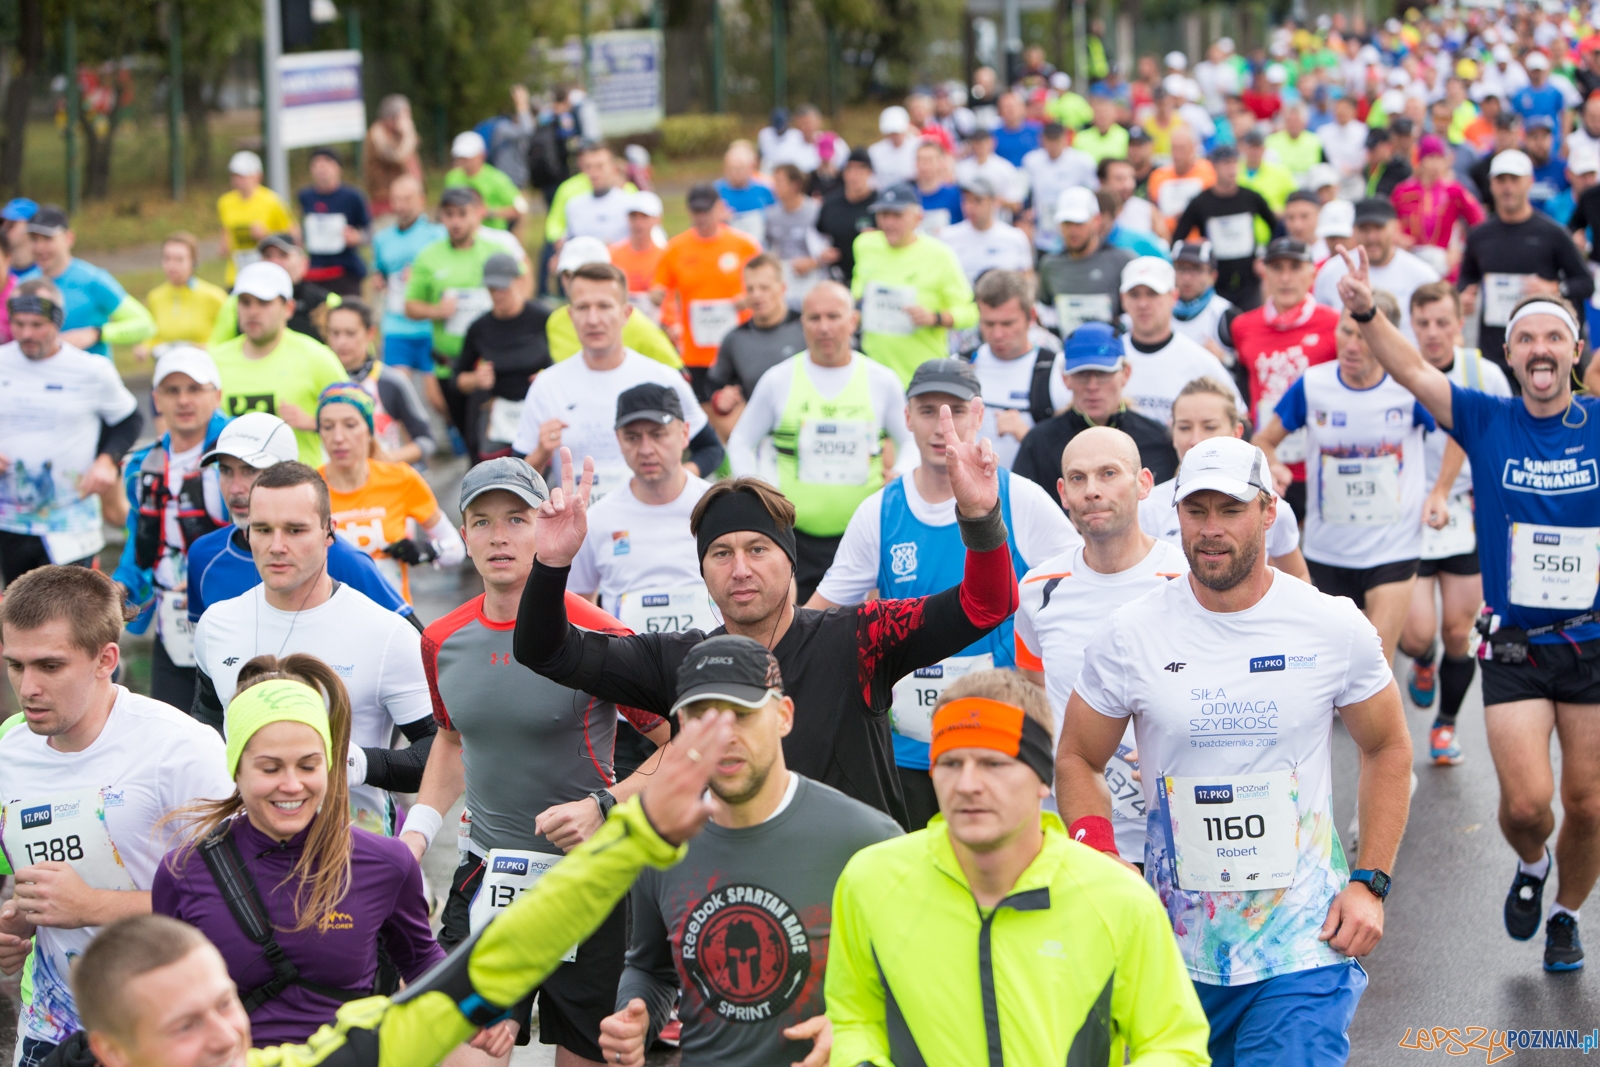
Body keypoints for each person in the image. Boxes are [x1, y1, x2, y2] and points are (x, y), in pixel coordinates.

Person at [55, 707, 742, 1067]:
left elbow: (492, 964)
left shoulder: (329, 1054)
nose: (225, 1034)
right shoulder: (190, 867)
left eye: (221, 1004)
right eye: (183, 1023)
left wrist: (637, 835)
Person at [1058, 433, 1412, 1067]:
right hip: (1173, 948)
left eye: (1230, 510)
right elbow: (1077, 756)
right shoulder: (1132, 633)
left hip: (1302, 947)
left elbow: (1387, 745)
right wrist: (1100, 853)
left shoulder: (1332, 625)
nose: (1210, 530)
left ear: (1268, 512)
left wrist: (1371, 883)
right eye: (1196, 512)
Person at [517, 407, 1022, 829]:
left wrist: (981, 517)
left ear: (790, 560)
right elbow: (545, 650)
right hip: (739, 900)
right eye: (721, 554)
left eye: (758, 549)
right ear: (703, 572)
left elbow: (986, 605)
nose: (740, 570)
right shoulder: (680, 660)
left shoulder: (859, 638)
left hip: (857, 891)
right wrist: (551, 564)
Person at [1343, 252, 1600, 971]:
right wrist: (1367, 311)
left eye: (1555, 338)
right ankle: (1530, 863)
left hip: (1594, 641)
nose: (1541, 350)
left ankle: (1566, 914)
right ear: (1510, 355)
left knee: (1589, 803)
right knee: (1527, 807)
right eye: (1528, 339)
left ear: (1574, 351)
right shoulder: (1486, 418)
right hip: (1516, 644)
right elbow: (1413, 371)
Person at [403, 458, 670, 1065]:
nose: (499, 536)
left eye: (517, 519)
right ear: (463, 536)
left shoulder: (598, 632)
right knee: (445, 1046)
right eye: (482, 522)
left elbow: (678, 746)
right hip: (489, 881)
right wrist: (416, 837)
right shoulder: (441, 639)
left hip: (590, 885)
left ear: (541, 529)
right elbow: (451, 740)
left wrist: (605, 807)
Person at [827, 668, 1211, 1065]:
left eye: (993, 764)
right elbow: (853, 1018)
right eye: (951, 763)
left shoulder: (1118, 899)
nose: (968, 784)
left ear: (1042, 778)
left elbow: (1173, 1043)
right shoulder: (870, 881)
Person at [600, 634, 902, 1067]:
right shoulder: (661, 840)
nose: (724, 737)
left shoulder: (867, 839)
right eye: (703, 719)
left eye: (742, 715)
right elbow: (649, 968)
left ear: (783, 716)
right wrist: (637, 1019)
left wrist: (859, 1023)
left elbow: (923, 979)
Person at [805, 360, 1078, 827]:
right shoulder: (880, 511)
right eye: (928, 410)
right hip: (912, 748)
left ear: (978, 416)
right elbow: (818, 615)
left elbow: (1082, 591)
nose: (941, 425)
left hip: (1000, 735)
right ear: (907, 418)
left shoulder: (1019, 499)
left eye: (954, 409)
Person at [0, 565, 231, 1066]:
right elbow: (18, 878)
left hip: (166, 1028)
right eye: (15, 666)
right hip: (52, 1025)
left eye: (50, 666)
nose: (28, 687)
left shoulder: (180, 749)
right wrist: (15, 926)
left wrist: (93, 906)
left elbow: (241, 899)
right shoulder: (9, 750)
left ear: (106, 659)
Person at [153, 656, 447, 1046]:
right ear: (235, 769)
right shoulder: (185, 871)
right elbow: (165, 999)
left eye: (308, 766)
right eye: (270, 769)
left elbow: (423, 961)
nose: (292, 785)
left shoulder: (386, 863)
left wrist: (482, 1010)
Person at [191, 461, 435, 837]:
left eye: (295, 530)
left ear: (328, 533)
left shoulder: (385, 633)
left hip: (354, 856)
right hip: (250, 855)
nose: (276, 546)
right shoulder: (217, 624)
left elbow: (440, 752)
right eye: (262, 529)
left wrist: (360, 764)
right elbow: (206, 730)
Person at [1016, 426, 1189, 864]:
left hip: (1180, 829)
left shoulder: (1189, 579)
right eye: (1078, 478)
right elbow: (1035, 693)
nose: (1092, 491)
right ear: (1062, 493)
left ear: (1144, 483)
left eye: (1108, 473)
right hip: (1076, 830)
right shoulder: (1037, 588)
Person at [1256, 287, 1433, 665]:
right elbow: (1265, 440)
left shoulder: (1410, 386)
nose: (1352, 345)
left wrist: (1441, 490)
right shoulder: (1314, 383)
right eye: (1345, 331)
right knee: (1331, 661)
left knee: (1372, 660)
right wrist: (1273, 463)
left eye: (1364, 335)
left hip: (1394, 546)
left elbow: (1460, 431)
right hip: (1327, 548)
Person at [727, 282, 917, 602]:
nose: (824, 327)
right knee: (798, 637)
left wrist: (900, 472)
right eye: (814, 318)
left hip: (865, 534)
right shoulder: (778, 379)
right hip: (792, 536)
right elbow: (741, 441)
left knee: (861, 638)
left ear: (853, 321)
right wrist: (757, 489)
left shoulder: (881, 380)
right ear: (802, 324)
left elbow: (911, 440)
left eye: (834, 316)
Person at [1397, 282, 1511, 767]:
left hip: (1468, 509)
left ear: (1458, 323)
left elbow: (1506, 434)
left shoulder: (1483, 374)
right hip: (1410, 515)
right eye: (1422, 323)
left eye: (1443, 322)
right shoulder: (1400, 375)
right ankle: (1423, 662)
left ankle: (1444, 725)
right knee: (1418, 634)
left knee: (1459, 633)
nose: (1433, 332)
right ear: (1411, 326)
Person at [185, 412, 415, 626]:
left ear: (286, 474)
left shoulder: (340, 558)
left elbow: (415, 645)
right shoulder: (203, 556)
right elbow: (203, 656)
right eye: (225, 471)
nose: (235, 488)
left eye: (249, 470)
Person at [518, 263, 720, 500]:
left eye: (604, 306)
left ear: (626, 314)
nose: (593, 319)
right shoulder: (547, 385)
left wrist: (673, 483)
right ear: (571, 316)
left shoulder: (663, 379)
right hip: (577, 533)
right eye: (583, 307)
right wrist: (541, 454)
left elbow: (711, 449)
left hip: (646, 526)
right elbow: (518, 476)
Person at [0, 278, 141, 581]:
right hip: (9, 521)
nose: (26, 334)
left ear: (57, 322)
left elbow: (129, 419)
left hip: (70, 523)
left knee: (70, 618)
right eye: (19, 324)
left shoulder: (91, 369)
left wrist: (107, 460)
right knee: (16, 620)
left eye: (37, 324)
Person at [111, 348, 230, 709]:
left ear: (217, 395)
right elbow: (140, 543)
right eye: (172, 390)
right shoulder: (142, 465)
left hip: (232, 618)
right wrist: (115, 590)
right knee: (173, 729)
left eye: (194, 389)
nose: (184, 400)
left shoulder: (238, 457)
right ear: (156, 400)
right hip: (171, 622)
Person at [568, 384, 714, 632]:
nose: (646, 450)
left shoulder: (716, 506)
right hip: (628, 666)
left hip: (711, 662)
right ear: (618, 440)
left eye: (658, 434)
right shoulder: (597, 519)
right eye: (632, 437)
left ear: (685, 433)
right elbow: (579, 602)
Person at [1139, 376, 1311, 581]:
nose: (1195, 440)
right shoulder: (1146, 507)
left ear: (1237, 432)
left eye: (1209, 427)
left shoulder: (1269, 506)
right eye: (1184, 427)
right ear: (1172, 433)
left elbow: (1298, 578)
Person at [1225, 236, 1339, 521]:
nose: (1286, 277)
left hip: (1318, 459)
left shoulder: (1334, 324)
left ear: (1312, 272)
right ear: (1264, 271)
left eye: (1295, 267)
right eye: (1277, 268)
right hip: (1265, 458)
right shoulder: (1243, 326)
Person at [316, 384, 464, 603]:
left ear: (368, 431)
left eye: (350, 425)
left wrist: (426, 551)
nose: (338, 437)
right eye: (327, 427)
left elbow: (456, 548)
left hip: (393, 617)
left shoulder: (401, 479)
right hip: (332, 622)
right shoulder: (309, 487)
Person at [1458, 149, 1594, 378]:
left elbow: (1585, 283)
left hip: (1541, 353)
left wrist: (1555, 289)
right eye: (1501, 180)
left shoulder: (1552, 233)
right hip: (1495, 352)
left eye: (1514, 179)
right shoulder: (1479, 236)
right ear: (1491, 184)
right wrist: (1463, 297)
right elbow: (1466, 279)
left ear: (1529, 182)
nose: (1507, 187)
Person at [1013, 322, 1179, 501]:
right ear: (1065, 378)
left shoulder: (1159, 439)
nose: (1092, 386)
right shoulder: (1039, 443)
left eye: (1103, 373)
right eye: (1081, 374)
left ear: (1126, 373)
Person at [209, 261, 349, 465]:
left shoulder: (316, 357)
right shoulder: (214, 361)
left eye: (263, 303)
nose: (253, 311)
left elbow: (357, 416)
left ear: (289, 308)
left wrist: (315, 423)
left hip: (300, 489)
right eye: (245, 302)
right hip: (235, 491)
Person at [405, 186, 508, 446]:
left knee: (485, 439)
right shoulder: (429, 257)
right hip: (448, 364)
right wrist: (436, 311)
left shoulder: (494, 251)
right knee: (465, 432)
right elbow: (410, 306)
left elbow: (520, 284)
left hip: (487, 364)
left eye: (462, 214)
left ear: (476, 215)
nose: (456, 221)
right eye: (449, 214)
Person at [846, 182, 976, 387]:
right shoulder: (865, 244)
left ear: (918, 218)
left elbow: (970, 312)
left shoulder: (940, 255)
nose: (888, 222)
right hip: (872, 371)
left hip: (921, 374)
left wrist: (935, 317)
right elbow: (857, 292)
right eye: (882, 214)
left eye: (896, 215)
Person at [652, 182, 762, 401]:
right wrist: (671, 322)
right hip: (695, 350)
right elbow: (661, 291)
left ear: (719, 208)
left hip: (738, 346)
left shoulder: (744, 245)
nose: (701, 217)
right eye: (696, 212)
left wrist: (750, 298)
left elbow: (765, 284)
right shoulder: (675, 248)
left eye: (706, 211)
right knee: (701, 409)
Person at [1113, 256, 1244, 425]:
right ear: (1123, 299)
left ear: (1173, 297)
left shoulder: (1201, 362)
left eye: (1153, 294)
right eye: (1134, 295)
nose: (1143, 304)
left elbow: (1239, 419)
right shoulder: (1109, 359)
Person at [453, 253, 551, 461]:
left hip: (537, 412)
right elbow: (457, 378)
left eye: (503, 287)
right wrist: (475, 379)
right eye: (491, 288)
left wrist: (548, 377)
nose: (498, 294)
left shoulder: (543, 319)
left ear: (520, 281)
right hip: (497, 414)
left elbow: (565, 364)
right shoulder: (479, 328)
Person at [27, 206, 155, 358]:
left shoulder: (93, 280)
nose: (39, 247)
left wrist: (97, 333)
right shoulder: (25, 285)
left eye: (47, 239)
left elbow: (146, 325)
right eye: (34, 239)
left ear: (69, 238)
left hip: (90, 379)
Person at [963, 270, 1059, 470]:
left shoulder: (1056, 371)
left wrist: (1027, 436)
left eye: (1007, 324)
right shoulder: (961, 365)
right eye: (989, 323)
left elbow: (1073, 460)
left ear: (1030, 317)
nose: (997, 334)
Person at [325, 299, 434, 465]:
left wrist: (389, 458)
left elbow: (426, 440)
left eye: (350, 333)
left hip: (382, 483)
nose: (341, 342)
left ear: (370, 333)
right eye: (335, 333)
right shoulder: (319, 380)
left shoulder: (390, 380)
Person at [547, 236, 682, 369]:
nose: (575, 283)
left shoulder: (633, 323)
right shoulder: (555, 322)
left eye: (588, 276)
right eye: (567, 275)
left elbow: (676, 372)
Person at [706, 254, 805, 434]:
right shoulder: (735, 339)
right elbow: (716, 389)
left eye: (764, 288)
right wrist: (721, 402)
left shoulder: (806, 329)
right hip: (760, 441)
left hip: (807, 432)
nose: (757, 295)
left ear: (782, 288)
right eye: (750, 289)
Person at [1172, 145, 1280, 310]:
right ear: (1214, 166)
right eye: (1226, 164)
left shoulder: (1250, 197)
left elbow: (1277, 228)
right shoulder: (1201, 202)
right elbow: (1178, 238)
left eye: (1234, 163)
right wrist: (1196, 250)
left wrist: (1265, 256)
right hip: (1216, 279)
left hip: (1248, 279)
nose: (1231, 169)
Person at [1314, 197, 1440, 339]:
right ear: (1353, 230)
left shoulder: (1422, 275)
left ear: (1395, 227)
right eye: (1364, 229)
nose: (1372, 237)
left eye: (1378, 228)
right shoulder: (1331, 272)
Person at [371, 176, 448, 386]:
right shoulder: (381, 238)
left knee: (437, 398)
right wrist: (378, 280)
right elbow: (379, 271)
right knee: (397, 391)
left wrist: (421, 274)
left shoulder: (438, 235)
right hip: (395, 325)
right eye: (395, 199)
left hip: (431, 326)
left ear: (421, 200)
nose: (400, 206)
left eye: (406, 199)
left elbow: (450, 273)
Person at [204, 233, 341, 347]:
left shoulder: (325, 302)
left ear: (303, 263)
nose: (274, 262)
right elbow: (217, 346)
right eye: (268, 256)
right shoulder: (235, 301)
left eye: (283, 255)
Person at [1037, 186, 1135, 337]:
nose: (1072, 231)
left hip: (1111, 351)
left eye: (1079, 223)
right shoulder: (1050, 265)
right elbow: (1045, 310)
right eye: (1066, 223)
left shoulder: (1122, 261)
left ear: (1096, 221)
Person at [1390, 136, 1486, 277]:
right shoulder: (1403, 191)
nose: (1436, 164)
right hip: (1410, 261)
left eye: (1440, 158)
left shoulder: (1453, 190)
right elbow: (1388, 221)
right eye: (1431, 158)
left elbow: (1478, 220)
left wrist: (1461, 248)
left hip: (1444, 266)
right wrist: (1396, 238)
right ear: (1420, 161)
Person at [137, 233, 229, 357]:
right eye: (167, 258)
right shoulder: (155, 297)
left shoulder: (214, 296)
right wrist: (145, 347)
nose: (171, 265)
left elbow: (229, 335)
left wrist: (209, 347)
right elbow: (154, 336)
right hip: (168, 367)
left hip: (204, 366)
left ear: (193, 262)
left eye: (179, 259)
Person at [297, 148, 370, 298]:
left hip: (344, 271)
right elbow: (302, 229)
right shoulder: (305, 196)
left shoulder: (353, 197)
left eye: (327, 163)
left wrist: (357, 237)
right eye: (316, 164)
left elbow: (369, 231)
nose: (321, 168)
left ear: (338, 168)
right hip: (315, 273)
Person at [217, 151, 296, 288]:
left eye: (243, 176)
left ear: (257, 176)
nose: (238, 180)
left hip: (266, 271)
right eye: (235, 175)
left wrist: (267, 235)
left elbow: (293, 236)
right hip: (236, 273)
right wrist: (224, 245)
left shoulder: (272, 201)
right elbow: (226, 230)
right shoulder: (225, 202)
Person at [937, 176, 1034, 284]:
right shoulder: (947, 237)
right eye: (966, 200)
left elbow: (1027, 279)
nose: (970, 207)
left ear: (994, 202)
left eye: (978, 201)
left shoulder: (1015, 237)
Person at [1022, 123, 1097, 252]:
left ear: (1065, 139)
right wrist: (1027, 211)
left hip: (1073, 221)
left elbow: (1093, 191)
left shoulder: (1082, 161)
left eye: (1056, 140)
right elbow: (1026, 192)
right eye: (1049, 140)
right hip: (1043, 225)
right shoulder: (1032, 161)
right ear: (1042, 140)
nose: (1053, 146)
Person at [1169, 240, 1240, 371]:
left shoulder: (1226, 315)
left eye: (1196, 269)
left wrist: (1224, 358)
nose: (1187, 277)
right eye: (1180, 268)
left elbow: (1250, 367)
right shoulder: (1160, 309)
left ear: (1213, 276)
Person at [763, 163, 828, 304]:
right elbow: (766, 246)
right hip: (784, 281)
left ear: (795, 184)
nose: (775, 187)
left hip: (813, 279)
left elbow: (829, 247)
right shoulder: (771, 215)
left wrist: (813, 262)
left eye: (779, 182)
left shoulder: (815, 211)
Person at [445, 131, 528, 233]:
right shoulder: (452, 177)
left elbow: (521, 208)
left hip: (492, 235)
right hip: (460, 235)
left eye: (468, 157)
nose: (464, 161)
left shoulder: (497, 178)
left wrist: (489, 212)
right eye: (460, 157)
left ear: (482, 155)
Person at [815, 147, 876, 285]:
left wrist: (878, 238)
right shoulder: (830, 203)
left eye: (861, 170)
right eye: (850, 169)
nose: (855, 175)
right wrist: (821, 252)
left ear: (870, 173)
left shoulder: (880, 204)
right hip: (838, 275)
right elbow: (816, 232)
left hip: (871, 276)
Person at [609, 190, 668, 321]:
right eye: (634, 216)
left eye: (644, 217)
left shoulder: (666, 257)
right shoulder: (613, 255)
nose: (638, 223)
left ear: (657, 219)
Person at [562, 142, 634, 246]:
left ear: (613, 168)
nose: (593, 172)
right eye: (588, 167)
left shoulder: (630, 204)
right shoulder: (573, 205)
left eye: (600, 166)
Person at [1148, 127, 1217, 233]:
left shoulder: (1209, 172)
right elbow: (1153, 211)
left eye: (1182, 149)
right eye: (1174, 148)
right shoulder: (1158, 176)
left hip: (1198, 236)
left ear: (1193, 148)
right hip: (1168, 236)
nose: (1177, 155)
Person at [362, 94, 423, 216]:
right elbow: (396, 157)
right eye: (404, 115)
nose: (408, 120)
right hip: (386, 200)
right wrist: (407, 134)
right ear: (391, 118)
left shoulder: (400, 136)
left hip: (409, 197)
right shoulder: (377, 136)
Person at [954, 128, 1025, 218]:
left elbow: (1017, 205)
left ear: (992, 143)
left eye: (983, 143)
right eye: (976, 143)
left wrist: (994, 201)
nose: (979, 147)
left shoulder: (1005, 168)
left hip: (998, 222)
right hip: (968, 222)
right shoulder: (961, 168)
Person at [716, 140, 777, 243]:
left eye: (740, 169)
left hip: (758, 245)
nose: (736, 173)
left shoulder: (765, 189)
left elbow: (778, 215)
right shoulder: (715, 191)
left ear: (750, 168)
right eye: (732, 169)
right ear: (725, 169)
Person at [867, 106, 920, 187]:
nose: (895, 135)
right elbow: (871, 180)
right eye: (891, 132)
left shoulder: (918, 147)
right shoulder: (874, 151)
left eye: (897, 131)